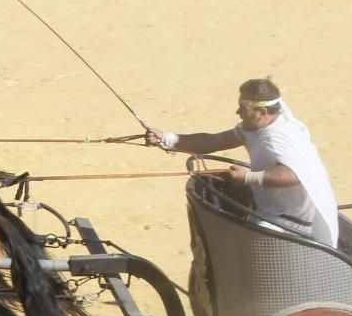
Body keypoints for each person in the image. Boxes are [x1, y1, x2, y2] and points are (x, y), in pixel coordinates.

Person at [145, 77, 340, 248]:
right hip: (271, 213)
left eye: (243, 108)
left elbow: (292, 175)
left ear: (261, 112)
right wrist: (167, 138)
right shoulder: (255, 128)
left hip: (289, 225)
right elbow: (214, 141)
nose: (238, 112)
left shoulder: (277, 136)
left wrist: (248, 177)